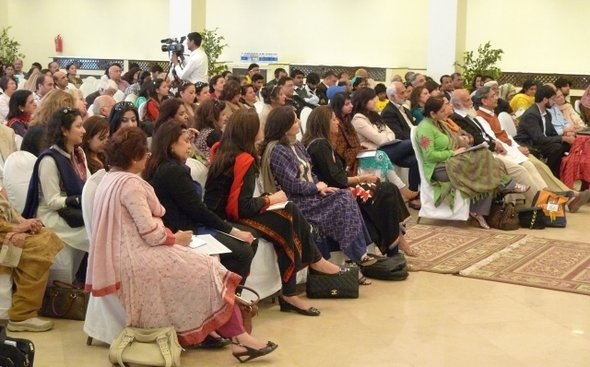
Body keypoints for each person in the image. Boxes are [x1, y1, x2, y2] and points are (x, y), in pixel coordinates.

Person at [86, 127, 277, 360]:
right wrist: (177, 239)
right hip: (137, 257)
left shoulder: (109, 179)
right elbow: (150, 233)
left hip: (125, 254)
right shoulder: (131, 184)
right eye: (144, 153)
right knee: (207, 268)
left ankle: (234, 336)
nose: (148, 156)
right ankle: (238, 338)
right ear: (135, 157)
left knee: (207, 265)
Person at [206, 109, 346, 315]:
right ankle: (299, 282)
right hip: (226, 219)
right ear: (250, 131)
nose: (263, 128)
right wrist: (271, 199)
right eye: (259, 126)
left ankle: (306, 273)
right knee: (286, 218)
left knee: (289, 212)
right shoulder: (243, 159)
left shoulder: (225, 151)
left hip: (225, 213)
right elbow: (239, 207)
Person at [259, 106, 375, 273]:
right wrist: (315, 187)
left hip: (309, 194)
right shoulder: (278, 150)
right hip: (294, 200)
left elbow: (310, 172)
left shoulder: (296, 144)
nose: (299, 122)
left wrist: (320, 188)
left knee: (344, 195)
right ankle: (358, 254)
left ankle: (357, 254)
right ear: (284, 126)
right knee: (343, 198)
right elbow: (290, 184)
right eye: (294, 121)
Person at [144, 121, 257, 283]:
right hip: (185, 230)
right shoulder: (173, 171)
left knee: (250, 237)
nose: (190, 146)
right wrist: (233, 231)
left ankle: (228, 294)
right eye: (185, 141)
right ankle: (229, 299)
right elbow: (198, 211)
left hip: (187, 224)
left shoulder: (163, 166)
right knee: (244, 250)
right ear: (170, 145)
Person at [303, 106, 414, 257]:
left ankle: (396, 242)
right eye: (333, 119)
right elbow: (337, 179)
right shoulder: (320, 145)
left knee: (387, 189)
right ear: (323, 123)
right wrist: (363, 178)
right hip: (332, 194)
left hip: (338, 188)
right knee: (385, 191)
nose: (338, 123)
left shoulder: (324, 143)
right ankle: (394, 245)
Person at [415, 97, 528, 229]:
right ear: (432, 113)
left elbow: (453, 141)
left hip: (453, 161)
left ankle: (479, 209)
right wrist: (452, 153)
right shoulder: (425, 128)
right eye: (442, 111)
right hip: (439, 168)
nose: (446, 113)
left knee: (487, 157)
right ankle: (505, 185)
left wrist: (462, 143)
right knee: (483, 161)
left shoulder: (439, 123)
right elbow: (429, 156)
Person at [22, 108, 90, 285]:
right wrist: (74, 200)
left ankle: (85, 284)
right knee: (95, 233)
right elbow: (52, 201)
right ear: (64, 131)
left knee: (100, 229)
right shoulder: (49, 160)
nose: (83, 130)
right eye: (79, 126)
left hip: (72, 209)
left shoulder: (78, 155)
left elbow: (87, 185)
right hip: (51, 215)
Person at [0, 188, 63, 332]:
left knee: (45, 235)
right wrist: (19, 227)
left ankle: (24, 310)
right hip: (3, 235)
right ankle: (22, 315)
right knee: (39, 248)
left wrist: (27, 223)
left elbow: (10, 211)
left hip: (5, 232)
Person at [351, 88, 421, 208]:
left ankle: (412, 195)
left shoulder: (374, 115)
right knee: (412, 143)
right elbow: (380, 139)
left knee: (415, 159)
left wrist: (383, 136)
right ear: (364, 101)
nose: (376, 101)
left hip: (388, 147)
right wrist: (383, 136)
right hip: (373, 152)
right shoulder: (358, 119)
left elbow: (391, 133)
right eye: (372, 99)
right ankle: (405, 191)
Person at [514, 85, 574, 179]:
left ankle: (561, 176)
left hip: (541, 142)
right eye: (553, 99)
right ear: (545, 100)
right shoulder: (532, 114)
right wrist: (563, 138)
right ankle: (549, 176)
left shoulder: (546, 113)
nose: (554, 102)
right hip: (530, 144)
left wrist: (566, 135)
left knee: (566, 145)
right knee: (557, 147)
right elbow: (539, 138)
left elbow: (551, 133)